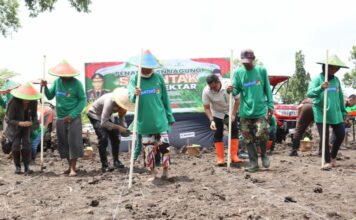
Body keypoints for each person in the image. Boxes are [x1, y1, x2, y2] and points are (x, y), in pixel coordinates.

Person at [128, 50, 175, 179]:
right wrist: (135, 93)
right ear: (140, 66)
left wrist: (169, 116)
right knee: (148, 149)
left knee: (164, 147)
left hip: (160, 120)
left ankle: (166, 171)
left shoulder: (158, 78)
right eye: (145, 67)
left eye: (150, 68)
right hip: (144, 122)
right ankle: (153, 172)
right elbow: (130, 96)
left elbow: (165, 99)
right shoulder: (135, 79)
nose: (147, 70)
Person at [41, 60, 87, 176]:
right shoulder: (57, 82)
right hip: (60, 117)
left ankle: (73, 168)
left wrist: (72, 115)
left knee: (74, 142)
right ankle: (69, 166)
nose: (63, 77)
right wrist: (45, 87)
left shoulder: (77, 84)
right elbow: (50, 95)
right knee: (63, 143)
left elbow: (83, 100)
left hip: (73, 117)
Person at [232, 49, 274, 172]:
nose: (246, 64)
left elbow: (267, 88)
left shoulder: (261, 70)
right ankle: (254, 164)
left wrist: (270, 105)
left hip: (260, 110)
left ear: (253, 59)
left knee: (262, 133)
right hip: (245, 112)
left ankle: (264, 154)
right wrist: (230, 89)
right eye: (244, 62)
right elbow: (235, 91)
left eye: (248, 61)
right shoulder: (238, 73)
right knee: (248, 139)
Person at [307, 55, 348, 169]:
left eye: (337, 68)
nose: (335, 70)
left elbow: (340, 97)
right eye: (333, 68)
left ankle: (333, 156)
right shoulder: (317, 79)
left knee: (341, 134)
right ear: (325, 68)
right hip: (321, 111)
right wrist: (320, 87)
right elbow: (309, 93)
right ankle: (327, 161)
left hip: (335, 112)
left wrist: (344, 112)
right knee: (324, 137)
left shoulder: (336, 80)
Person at [87, 88, 134, 172]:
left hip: (106, 117)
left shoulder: (123, 105)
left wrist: (124, 130)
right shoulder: (109, 101)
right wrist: (119, 127)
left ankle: (116, 161)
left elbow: (121, 120)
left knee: (115, 138)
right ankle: (104, 165)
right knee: (103, 138)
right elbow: (103, 123)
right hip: (95, 114)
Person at [202, 74, 241, 166]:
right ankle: (220, 158)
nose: (213, 89)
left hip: (230, 112)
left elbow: (237, 101)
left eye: (214, 87)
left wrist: (233, 115)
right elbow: (207, 108)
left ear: (219, 82)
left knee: (234, 131)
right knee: (218, 133)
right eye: (211, 87)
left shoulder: (229, 84)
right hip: (217, 113)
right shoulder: (206, 91)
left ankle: (234, 156)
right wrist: (211, 120)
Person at [3, 83, 41, 174]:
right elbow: (8, 120)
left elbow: (34, 116)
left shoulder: (33, 102)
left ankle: (27, 167)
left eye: (29, 98)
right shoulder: (13, 102)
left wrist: (32, 123)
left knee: (27, 145)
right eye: (25, 98)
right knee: (15, 146)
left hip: (27, 126)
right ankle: (17, 167)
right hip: (15, 127)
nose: (27, 101)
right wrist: (20, 123)